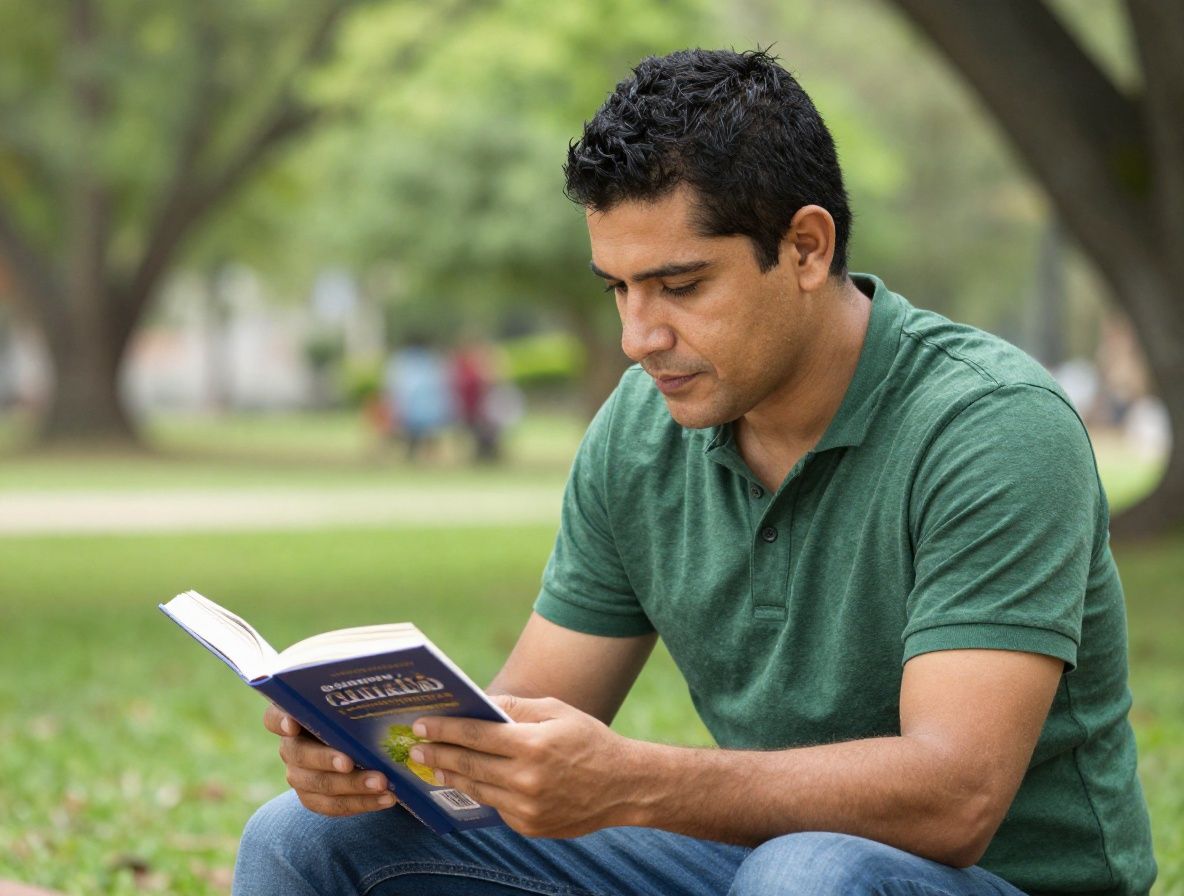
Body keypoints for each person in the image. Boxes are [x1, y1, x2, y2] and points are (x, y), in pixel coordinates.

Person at [233, 49, 1156, 895]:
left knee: (808, 876)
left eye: (679, 287)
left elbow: (954, 800)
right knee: (299, 842)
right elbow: (532, 718)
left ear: (806, 248)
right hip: (758, 866)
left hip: (991, 881)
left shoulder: (989, 427)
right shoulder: (641, 431)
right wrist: (392, 757)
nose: (640, 338)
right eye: (619, 290)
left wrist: (633, 781)